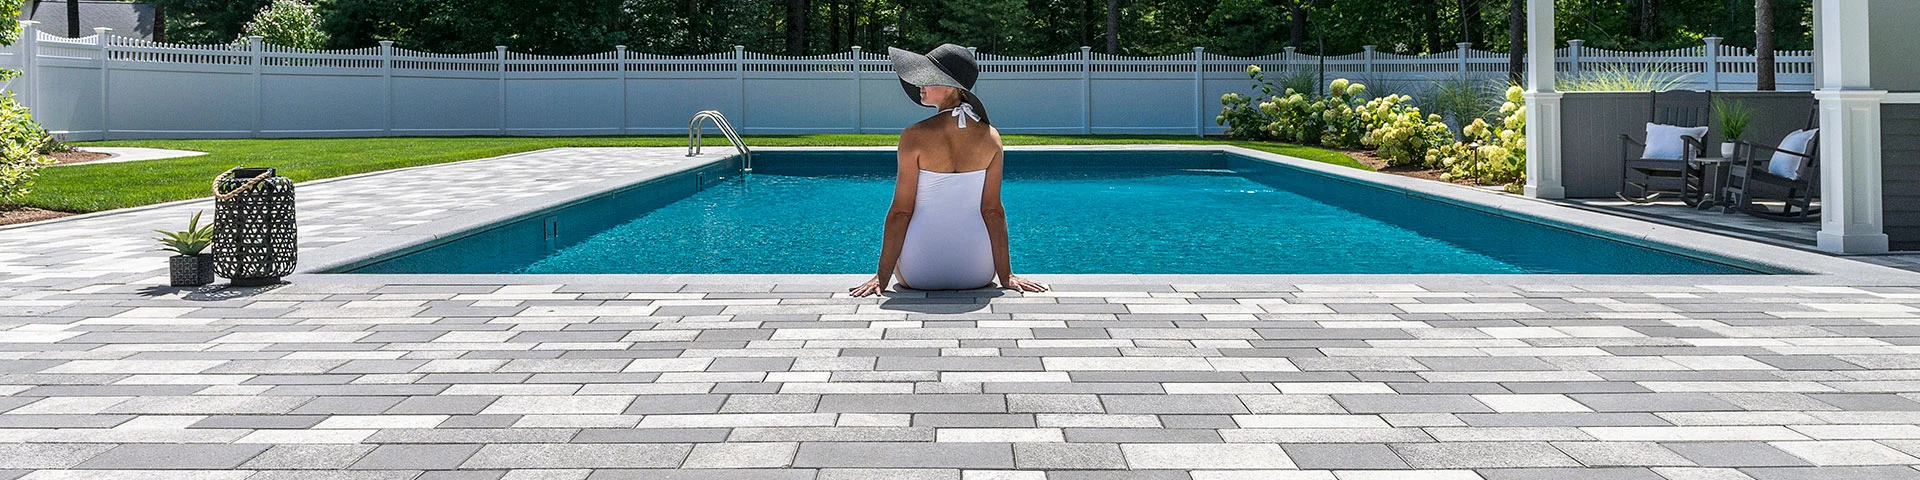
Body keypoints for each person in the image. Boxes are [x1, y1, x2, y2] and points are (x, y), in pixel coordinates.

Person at [848, 44, 1047, 297]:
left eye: (929, 78)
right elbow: (993, 210)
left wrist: (881, 278)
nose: (920, 83)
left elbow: (901, 212)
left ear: (951, 86)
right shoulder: (992, 137)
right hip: (977, 272)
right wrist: (1006, 276)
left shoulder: (914, 136)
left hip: (919, 272)